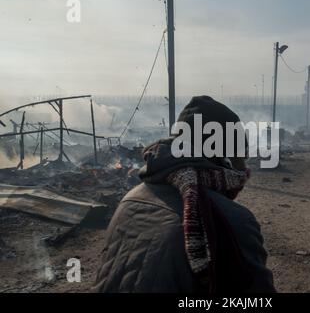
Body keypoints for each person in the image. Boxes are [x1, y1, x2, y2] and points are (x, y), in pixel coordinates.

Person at [92, 95, 275, 293]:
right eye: (241, 158)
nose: (244, 170)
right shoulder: (233, 221)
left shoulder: (130, 199)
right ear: (225, 160)